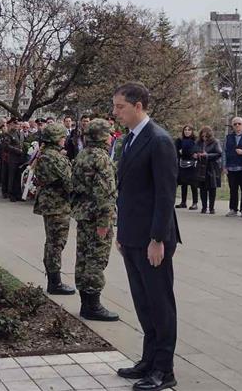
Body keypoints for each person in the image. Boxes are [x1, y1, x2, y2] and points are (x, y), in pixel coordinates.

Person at [113, 83, 179, 391]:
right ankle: (149, 360)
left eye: (120, 107)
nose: (116, 112)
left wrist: (157, 239)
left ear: (138, 105)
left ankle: (164, 370)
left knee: (160, 305)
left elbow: (165, 195)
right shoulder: (130, 138)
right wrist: (122, 232)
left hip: (153, 240)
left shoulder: (159, 140)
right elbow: (128, 192)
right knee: (143, 304)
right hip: (132, 235)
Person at [71, 118, 118, 322]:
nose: (111, 138)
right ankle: (93, 305)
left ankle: (85, 303)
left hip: (83, 214)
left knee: (83, 257)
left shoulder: (82, 155)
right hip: (97, 216)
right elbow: (105, 193)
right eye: (109, 134)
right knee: (96, 259)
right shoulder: (101, 158)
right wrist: (104, 222)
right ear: (102, 136)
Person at [32, 122, 76, 296]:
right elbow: (69, 183)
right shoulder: (55, 157)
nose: (64, 140)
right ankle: (55, 283)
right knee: (56, 243)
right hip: (57, 205)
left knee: (52, 242)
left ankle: (53, 280)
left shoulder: (45, 154)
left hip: (51, 204)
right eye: (62, 137)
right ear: (56, 138)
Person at [194, 126, 222, 215]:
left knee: (212, 188)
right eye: (202, 136)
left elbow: (219, 153)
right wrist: (195, 155)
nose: (204, 138)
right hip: (201, 167)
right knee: (202, 188)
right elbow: (194, 151)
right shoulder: (198, 142)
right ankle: (204, 207)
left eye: (206, 136)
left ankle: (211, 208)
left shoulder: (215, 142)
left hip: (212, 167)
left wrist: (207, 155)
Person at [175, 125, 199, 209]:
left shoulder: (195, 140)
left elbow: (195, 151)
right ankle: (183, 202)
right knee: (183, 184)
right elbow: (176, 151)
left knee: (193, 184)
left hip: (193, 164)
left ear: (192, 131)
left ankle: (195, 203)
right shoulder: (179, 140)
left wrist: (185, 152)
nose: (187, 131)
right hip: (182, 163)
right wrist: (181, 153)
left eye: (189, 130)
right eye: (185, 130)